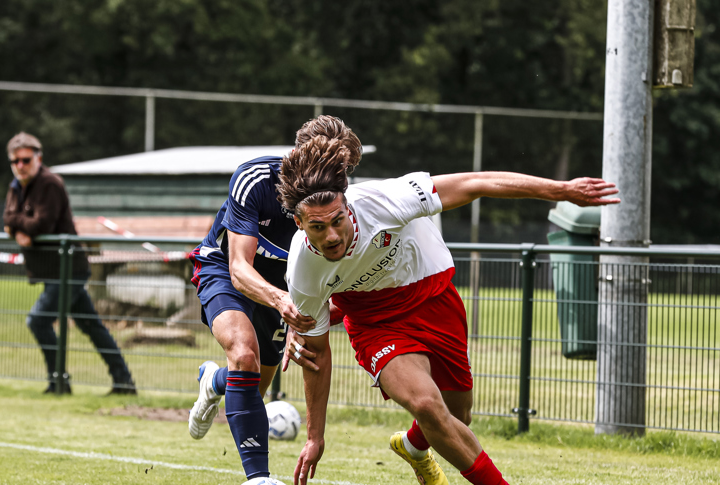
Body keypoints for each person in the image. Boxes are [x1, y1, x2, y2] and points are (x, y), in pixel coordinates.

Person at [277, 136, 621, 485]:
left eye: (337, 221)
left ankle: (413, 445)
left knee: (459, 415)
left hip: (434, 299)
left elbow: (477, 183)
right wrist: (314, 436)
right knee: (427, 405)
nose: (332, 236)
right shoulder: (303, 269)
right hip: (376, 325)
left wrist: (560, 190)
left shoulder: (387, 201)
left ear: (347, 206)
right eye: (318, 228)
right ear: (300, 225)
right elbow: (316, 355)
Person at [186, 116, 357, 481]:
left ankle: (213, 381)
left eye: (339, 172)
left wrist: (312, 307)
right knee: (244, 355)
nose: (332, 179)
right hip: (227, 269)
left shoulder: (340, 202)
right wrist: (284, 303)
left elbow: (340, 273)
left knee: (252, 387)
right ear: (298, 156)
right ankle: (259, 478)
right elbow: (238, 268)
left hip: (288, 285)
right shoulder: (256, 179)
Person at [2, 132, 136, 395]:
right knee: (91, 326)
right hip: (52, 271)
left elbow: (42, 224)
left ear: (38, 158)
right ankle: (124, 382)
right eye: (15, 161)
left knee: (38, 321)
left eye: (26, 160)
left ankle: (59, 381)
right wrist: (18, 228)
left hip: (68, 269)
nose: (20, 165)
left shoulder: (50, 183)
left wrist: (18, 225)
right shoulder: (15, 186)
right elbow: (7, 218)